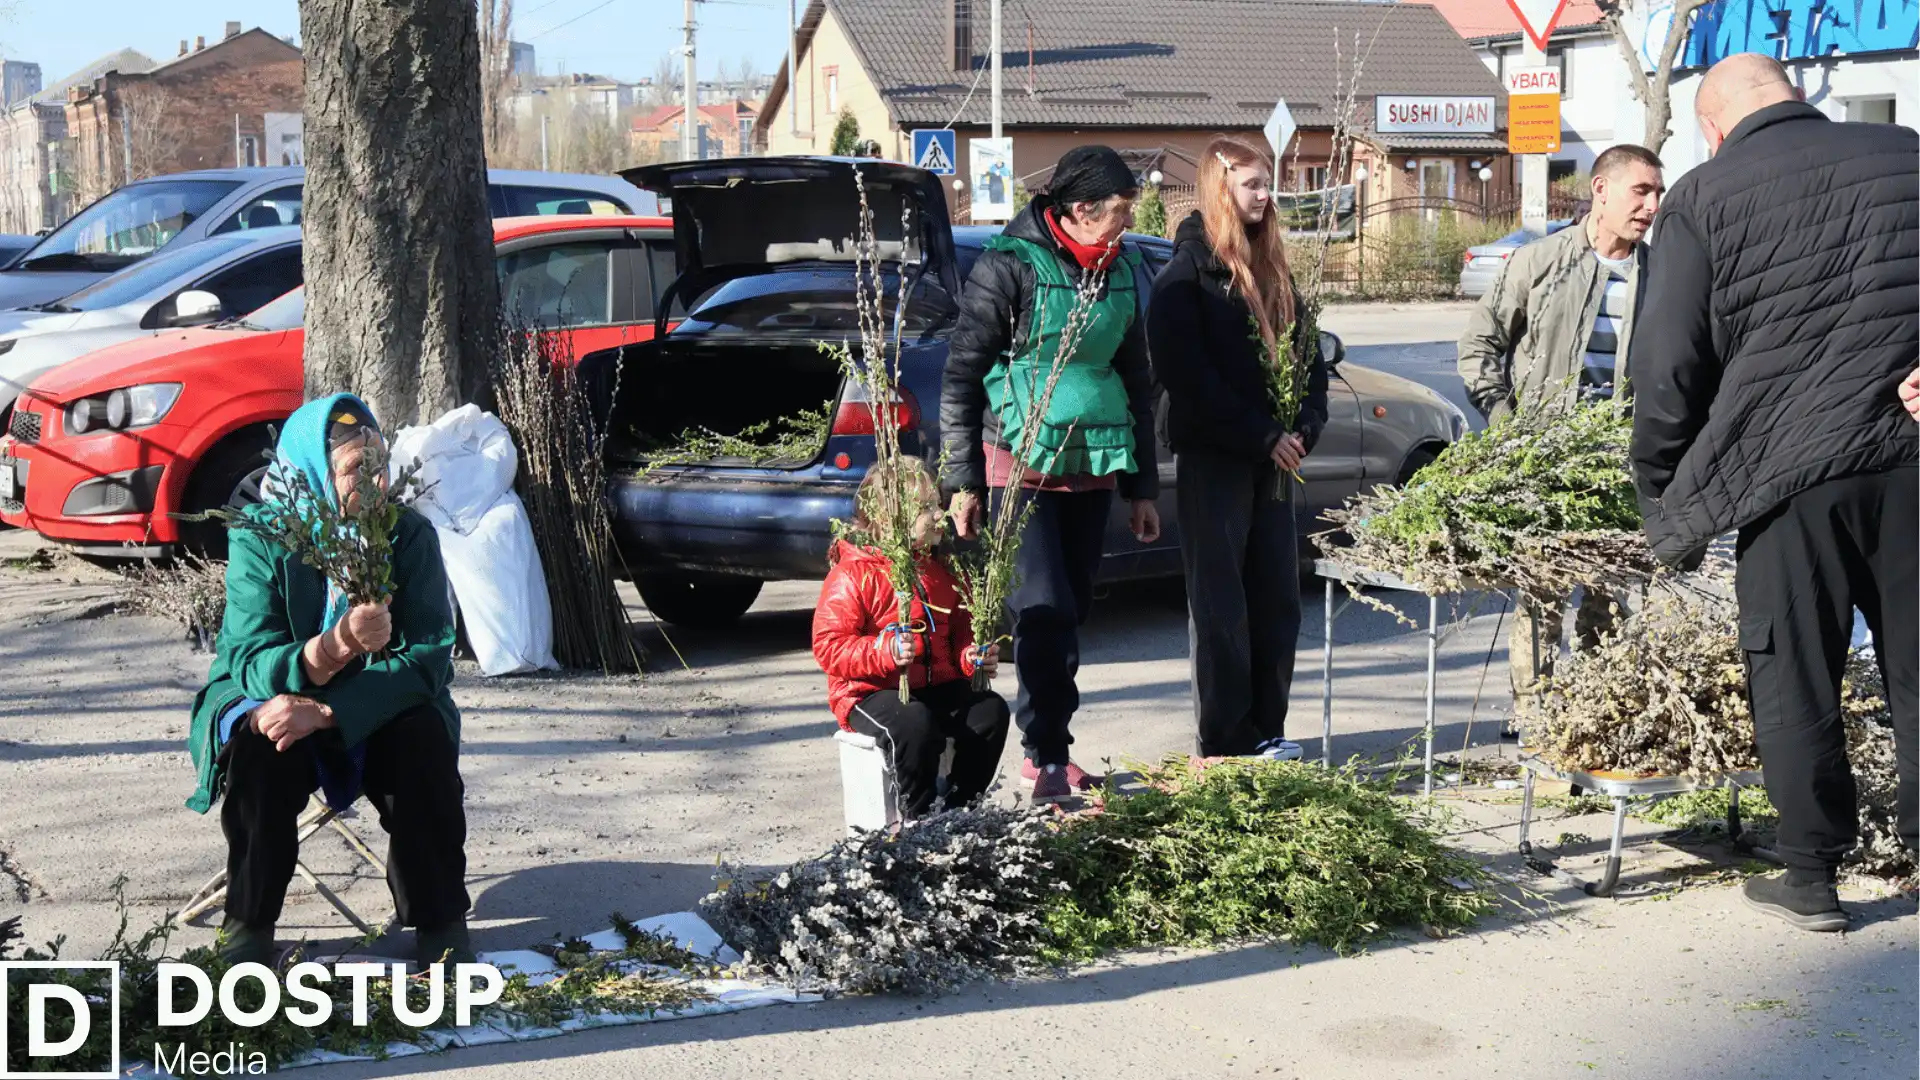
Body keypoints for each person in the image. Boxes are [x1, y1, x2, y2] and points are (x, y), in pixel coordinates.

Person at [1628, 53, 1918, 932]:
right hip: (1911, 464)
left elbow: (1667, 368)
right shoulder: (1908, 154)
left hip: (1785, 477)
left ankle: (1811, 875)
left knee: (1794, 668)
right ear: (1796, 96)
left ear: (1715, 126)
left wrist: (1660, 488)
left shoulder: (1706, 197)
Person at [186, 394, 469, 966]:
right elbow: (247, 655)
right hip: (277, 688)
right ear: (314, 472)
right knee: (260, 748)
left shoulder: (406, 536)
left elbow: (429, 659)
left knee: (423, 741)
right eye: (355, 469)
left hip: (379, 698)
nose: (377, 480)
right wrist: (336, 645)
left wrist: (331, 710)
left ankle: (440, 922)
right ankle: (247, 930)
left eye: (381, 463)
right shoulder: (263, 535)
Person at [941, 144, 1162, 805]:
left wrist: (1141, 488)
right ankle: (1046, 757)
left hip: (1092, 465)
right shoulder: (1009, 266)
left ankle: (1051, 747)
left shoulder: (1120, 272)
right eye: (1119, 211)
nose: (1127, 222)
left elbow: (1137, 380)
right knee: (1043, 611)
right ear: (1079, 208)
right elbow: (961, 376)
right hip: (1021, 467)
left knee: (1075, 611)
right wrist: (964, 483)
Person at [1457, 143, 1666, 705]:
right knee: (1541, 602)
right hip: (1545, 467)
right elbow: (1481, 344)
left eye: (1656, 193)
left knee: (1615, 608)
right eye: (1640, 191)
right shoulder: (1540, 262)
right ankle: (1536, 724)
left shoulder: (1665, 274)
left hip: (1625, 471)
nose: (1651, 204)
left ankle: (1599, 725)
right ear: (1601, 189)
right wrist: (1505, 423)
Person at [1147, 136, 1328, 760]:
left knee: (1278, 601)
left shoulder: (1275, 268)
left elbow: (1310, 362)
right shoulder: (1187, 275)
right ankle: (1225, 741)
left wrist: (1303, 424)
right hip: (1218, 460)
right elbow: (1186, 377)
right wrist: (1261, 434)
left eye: (1266, 182)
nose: (1266, 194)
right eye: (1252, 184)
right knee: (1223, 608)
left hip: (1275, 464)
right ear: (1221, 188)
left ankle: (1266, 729)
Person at [812, 458, 1010, 817]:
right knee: (914, 725)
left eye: (937, 505)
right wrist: (882, 649)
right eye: (925, 509)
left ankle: (959, 809)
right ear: (888, 520)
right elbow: (829, 645)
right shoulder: (853, 574)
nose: (938, 516)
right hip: (870, 691)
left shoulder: (942, 572)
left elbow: (960, 634)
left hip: (935, 685)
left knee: (989, 711)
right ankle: (916, 818)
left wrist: (972, 657)